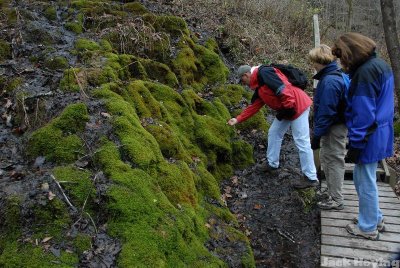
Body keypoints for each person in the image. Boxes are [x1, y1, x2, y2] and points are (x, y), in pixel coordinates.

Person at [332, 32, 394, 240]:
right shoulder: (380, 65)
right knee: (364, 178)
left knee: (365, 181)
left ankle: (367, 227)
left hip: (370, 135)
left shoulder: (365, 74)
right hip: (382, 130)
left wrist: (356, 144)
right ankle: (376, 218)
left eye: (342, 57)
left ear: (351, 53)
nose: (342, 62)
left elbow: (363, 113)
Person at [227, 64, 319, 189]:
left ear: (246, 75)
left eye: (242, 80)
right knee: (274, 132)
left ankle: (311, 177)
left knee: (301, 141)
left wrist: (289, 106)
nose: (243, 84)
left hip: (297, 106)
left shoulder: (264, 74)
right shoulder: (259, 85)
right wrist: (237, 119)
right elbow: (254, 107)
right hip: (287, 109)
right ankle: (272, 164)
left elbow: (283, 88)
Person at [309, 44, 350, 210]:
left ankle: (336, 199)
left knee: (333, 160)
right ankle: (332, 192)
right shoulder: (334, 75)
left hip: (334, 127)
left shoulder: (330, 81)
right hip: (335, 126)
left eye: (313, 62)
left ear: (320, 61)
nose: (312, 65)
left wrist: (317, 135)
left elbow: (326, 112)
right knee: (328, 158)